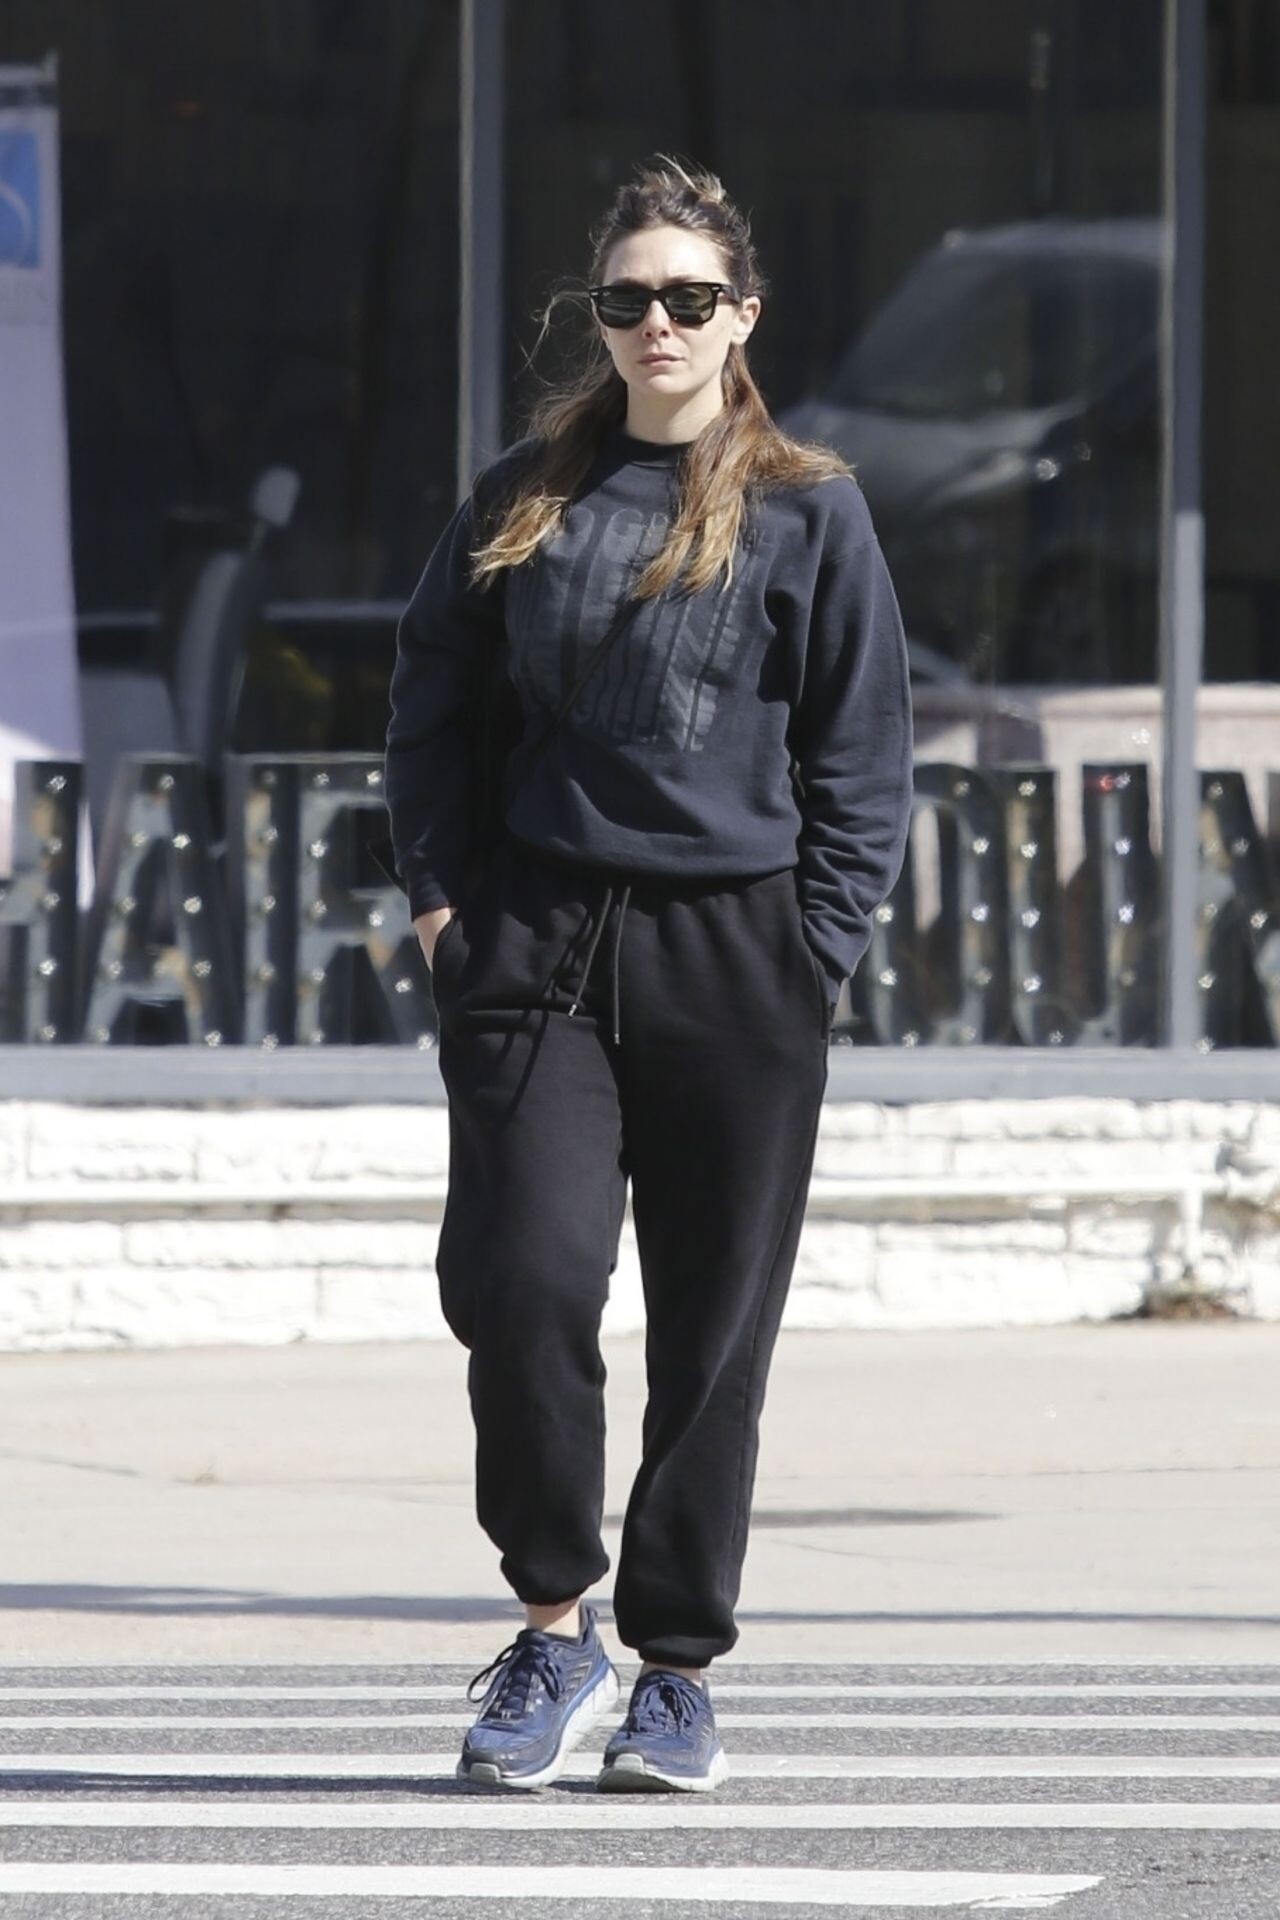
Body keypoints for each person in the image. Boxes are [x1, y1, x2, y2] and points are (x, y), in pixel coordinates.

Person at [383, 153, 913, 1794]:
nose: (658, 323)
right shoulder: (523, 495)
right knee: (523, 1284)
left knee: (712, 1330)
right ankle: (555, 1627)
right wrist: (443, 908)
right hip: (537, 944)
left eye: (690, 297)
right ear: (600, 316)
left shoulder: (811, 508)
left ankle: (676, 1668)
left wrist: (814, 948)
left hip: (738, 957)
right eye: (629, 298)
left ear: (743, 314)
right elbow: (429, 705)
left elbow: (863, 756)